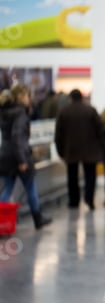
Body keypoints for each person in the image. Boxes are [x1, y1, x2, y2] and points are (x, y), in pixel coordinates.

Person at [0, 85, 52, 229]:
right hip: (19, 156)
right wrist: (22, 160)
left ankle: (2, 220)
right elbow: (18, 138)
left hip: (5, 155)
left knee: (7, 189)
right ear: (23, 96)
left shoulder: (5, 111)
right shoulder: (20, 114)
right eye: (28, 96)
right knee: (30, 188)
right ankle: (37, 218)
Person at [55, 89, 105, 210]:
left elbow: (58, 134)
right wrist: (102, 147)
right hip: (90, 150)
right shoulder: (90, 110)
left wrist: (60, 151)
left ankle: (74, 200)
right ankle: (89, 199)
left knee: (72, 177)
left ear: (70, 98)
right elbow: (100, 129)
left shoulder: (64, 111)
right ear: (81, 97)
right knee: (90, 176)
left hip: (71, 150)